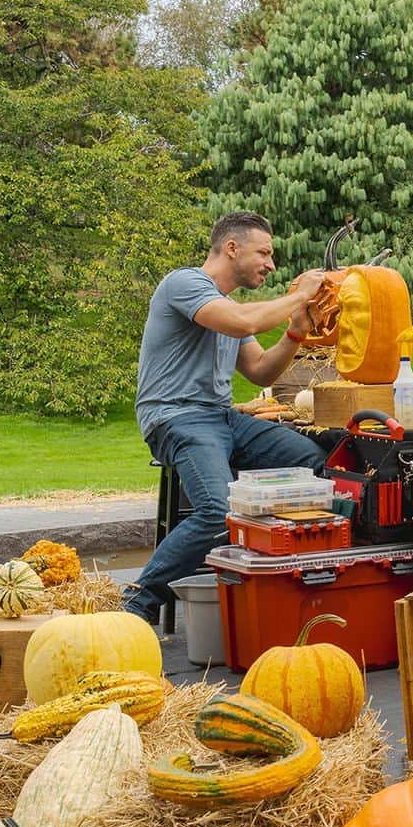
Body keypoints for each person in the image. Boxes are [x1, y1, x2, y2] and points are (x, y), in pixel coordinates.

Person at [122, 211, 328, 625]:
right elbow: (240, 323)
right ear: (232, 248)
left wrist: (295, 332)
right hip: (176, 417)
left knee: (314, 460)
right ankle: (137, 603)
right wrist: (300, 295)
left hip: (221, 419)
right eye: (264, 253)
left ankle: (277, 574)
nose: (271, 264)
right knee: (217, 512)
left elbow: (260, 370)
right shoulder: (184, 285)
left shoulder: (229, 307)